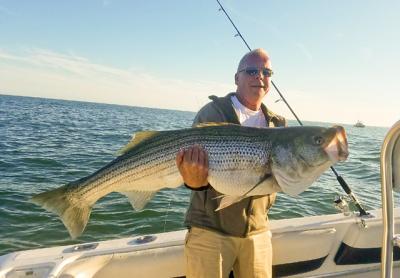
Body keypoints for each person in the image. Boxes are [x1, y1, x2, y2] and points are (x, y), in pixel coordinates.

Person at [176, 48, 287, 278]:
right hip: (210, 230)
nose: (260, 76)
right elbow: (190, 172)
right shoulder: (213, 113)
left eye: (267, 72)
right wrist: (194, 181)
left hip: (258, 230)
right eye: (252, 71)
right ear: (236, 78)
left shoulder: (278, 124)